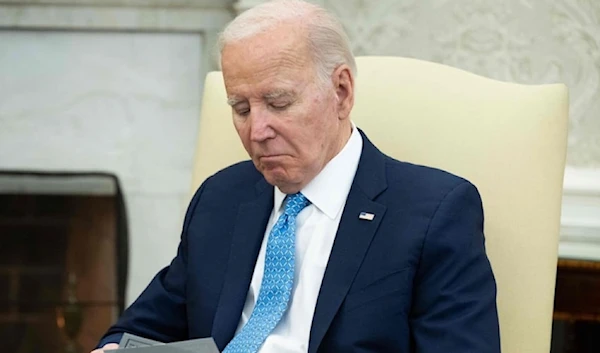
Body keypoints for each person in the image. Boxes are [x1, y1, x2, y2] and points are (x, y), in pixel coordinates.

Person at [93, 1, 500, 352]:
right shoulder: (221, 198)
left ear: (341, 91)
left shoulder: (435, 212)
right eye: (241, 108)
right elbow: (140, 330)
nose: (257, 131)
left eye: (278, 102)